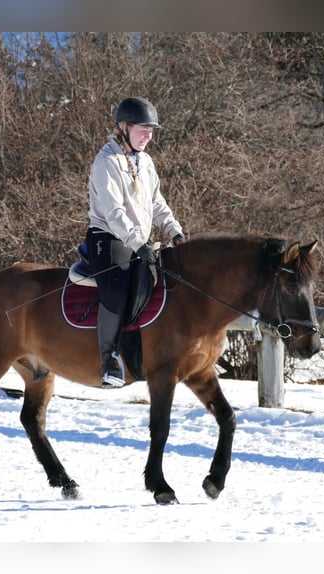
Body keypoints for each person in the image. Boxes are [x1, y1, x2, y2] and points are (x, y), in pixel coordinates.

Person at [86, 96, 185, 388]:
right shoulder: (107, 162)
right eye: (143, 129)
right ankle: (109, 360)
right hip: (109, 239)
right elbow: (114, 212)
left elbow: (156, 202)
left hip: (139, 240)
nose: (149, 136)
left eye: (152, 131)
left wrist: (173, 230)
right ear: (123, 128)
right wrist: (137, 242)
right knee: (117, 287)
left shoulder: (145, 161)